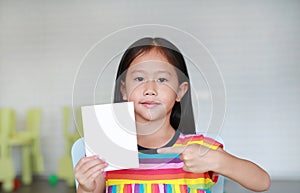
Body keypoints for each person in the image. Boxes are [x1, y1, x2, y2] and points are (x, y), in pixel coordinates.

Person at [74, 37, 270, 193]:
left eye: (162, 79)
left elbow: (262, 182)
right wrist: (85, 187)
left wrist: (219, 161)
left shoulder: (200, 148)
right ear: (124, 90)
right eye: (140, 78)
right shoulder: (106, 149)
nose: (150, 89)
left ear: (180, 91)